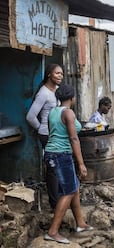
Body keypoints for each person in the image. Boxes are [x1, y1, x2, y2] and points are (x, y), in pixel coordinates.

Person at [43, 85, 93, 244]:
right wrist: (81, 163)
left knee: (74, 187)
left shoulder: (53, 112)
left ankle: (80, 224)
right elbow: (73, 139)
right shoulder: (68, 113)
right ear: (72, 98)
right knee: (69, 191)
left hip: (51, 153)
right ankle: (52, 231)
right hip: (61, 155)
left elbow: (52, 132)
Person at [26, 64, 63, 209]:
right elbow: (30, 116)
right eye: (57, 73)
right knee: (53, 168)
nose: (60, 76)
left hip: (56, 133)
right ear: (49, 74)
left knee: (58, 166)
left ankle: (58, 197)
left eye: (62, 73)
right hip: (47, 134)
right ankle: (54, 202)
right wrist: (41, 128)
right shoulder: (44, 93)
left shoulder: (57, 91)